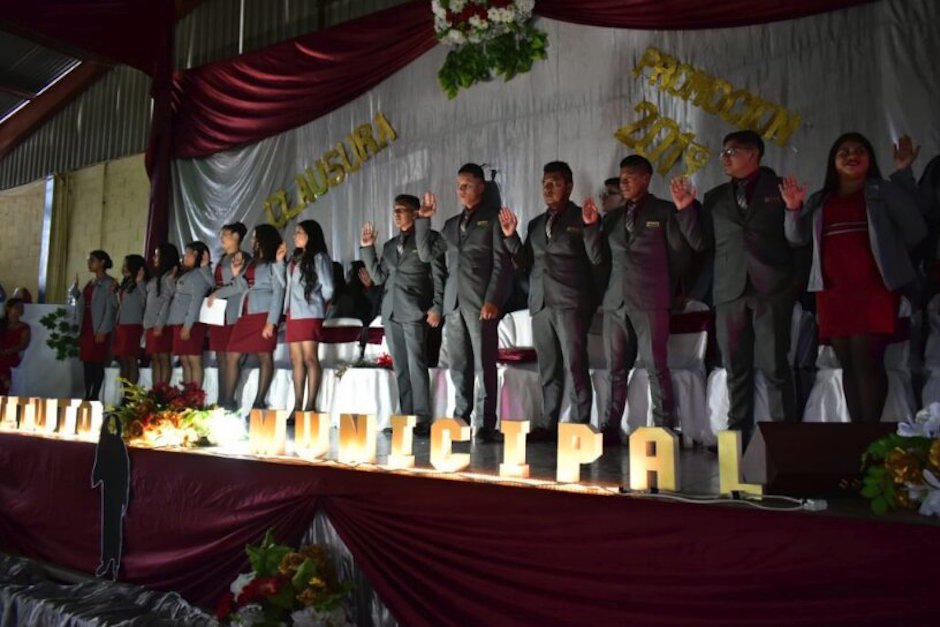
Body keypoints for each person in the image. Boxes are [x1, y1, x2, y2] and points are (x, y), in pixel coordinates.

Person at [783, 133, 926, 422]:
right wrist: (793, 208)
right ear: (833, 163)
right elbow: (796, 238)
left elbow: (915, 229)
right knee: (848, 363)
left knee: (867, 360)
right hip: (833, 292)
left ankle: (870, 434)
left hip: (873, 289)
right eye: (843, 152)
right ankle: (858, 437)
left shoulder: (882, 191)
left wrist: (902, 173)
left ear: (870, 159)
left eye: (859, 150)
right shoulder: (821, 199)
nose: (851, 155)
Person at [586, 155, 703, 443]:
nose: (623, 182)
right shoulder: (612, 217)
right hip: (616, 302)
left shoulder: (664, 211)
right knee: (615, 369)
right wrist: (590, 227)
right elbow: (598, 258)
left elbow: (680, 256)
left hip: (651, 299)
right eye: (621, 176)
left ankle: (664, 428)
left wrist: (671, 289)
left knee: (655, 366)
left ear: (646, 179)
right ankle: (610, 428)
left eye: (630, 176)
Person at [701, 130, 801, 444]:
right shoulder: (714, 197)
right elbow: (704, 245)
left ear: (753, 154)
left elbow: (798, 241)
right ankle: (736, 439)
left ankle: (786, 441)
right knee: (735, 369)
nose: (724, 158)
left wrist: (793, 209)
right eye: (722, 152)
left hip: (770, 289)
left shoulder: (781, 188)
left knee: (774, 366)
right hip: (729, 290)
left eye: (731, 151)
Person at [498, 161, 601, 441]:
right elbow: (524, 264)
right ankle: (548, 424)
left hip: (570, 303)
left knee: (575, 365)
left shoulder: (583, 218)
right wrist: (510, 237)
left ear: (568, 186)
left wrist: (592, 229)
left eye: (554, 182)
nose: (548, 187)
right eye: (544, 182)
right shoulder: (535, 224)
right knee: (548, 368)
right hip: (541, 303)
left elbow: (597, 260)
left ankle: (580, 426)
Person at [417, 163, 511, 443]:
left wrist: (493, 298)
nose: (461, 190)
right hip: (454, 303)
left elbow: (502, 264)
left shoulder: (493, 219)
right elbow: (425, 254)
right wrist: (423, 220)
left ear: (481, 187)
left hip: (481, 302)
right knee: (459, 365)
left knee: (485, 364)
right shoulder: (450, 225)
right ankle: (462, 417)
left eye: (467, 185)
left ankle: (486, 424)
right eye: (458, 185)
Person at [361, 194, 446, 437]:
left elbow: (440, 275)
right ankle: (406, 416)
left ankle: (421, 418)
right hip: (391, 311)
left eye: (402, 210)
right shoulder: (389, 245)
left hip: (415, 310)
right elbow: (378, 278)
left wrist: (437, 306)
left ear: (415, 213)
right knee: (400, 366)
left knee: (416, 363)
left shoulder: (430, 240)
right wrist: (368, 249)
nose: (396, 214)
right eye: (394, 210)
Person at [210, 224, 285, 411]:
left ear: (263, 240)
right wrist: (234, 277)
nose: (251, 241)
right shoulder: (252, 262)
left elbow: (279, 291)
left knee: (264, 356)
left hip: (263, 314)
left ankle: (259, 402)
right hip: (246, 313)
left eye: (255, 238)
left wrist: (272, 322)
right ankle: (227, 402)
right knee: (232, 355)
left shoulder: (273, 263)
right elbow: (240, 286)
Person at [281, 219, 334, 417]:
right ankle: (296, 406)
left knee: (310, 358)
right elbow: (286, 285)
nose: (295, 236)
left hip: (310, 312)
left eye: (299, 232)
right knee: (296, 359)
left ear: (310, 235)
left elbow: (328, 287)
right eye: (295, 232)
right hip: (293, 313)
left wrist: (318, 304)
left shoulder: (319, 257)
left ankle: (310, 405)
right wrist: (280, 262)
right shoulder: (294, 258)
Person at [211, 222, 252, 409]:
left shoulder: (241, 257)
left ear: (236, 236)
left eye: (225, 234)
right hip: (218, 312)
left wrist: (216, 294)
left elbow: (239, 285)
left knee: (230, 358)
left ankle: (229, 401)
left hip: (233, 312)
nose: (222, 238)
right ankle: (221, 400)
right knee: (220, 359)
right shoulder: (222, 259)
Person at [166, 242, 213, 387]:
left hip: (191, 324)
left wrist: (188, 325)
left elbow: (196, 302)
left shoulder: (199, 275)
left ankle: (195, 397)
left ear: (196, 255)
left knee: (194, 360)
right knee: (185, 360)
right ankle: (187, 396)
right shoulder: (187, 274)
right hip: (180, 322)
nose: (184, 257)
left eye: (187, 254)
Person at [77, 250, 117, 400]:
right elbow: (83, 302)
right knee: (87, 362)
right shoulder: (90, 282)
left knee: (97, 362)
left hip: (99, 327)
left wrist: (104, 329)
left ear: (102, 263)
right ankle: (87, 392)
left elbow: (111, 308)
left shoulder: (109, 283)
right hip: (87, 326)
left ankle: (95, 395)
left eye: (92, 260)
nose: (89, 263)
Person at [143, 243, 179, 386]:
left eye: (158, 255)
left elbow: (168, 301)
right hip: (151, 324)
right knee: (155, 359)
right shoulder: (156, 278)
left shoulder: (170, 277)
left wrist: (160, 323)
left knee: (163, 358)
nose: (154, 258)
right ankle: (155, 391)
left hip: (162, 324)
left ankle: (163, 392)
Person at [111, 254, 148, 391]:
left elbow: (145, 300)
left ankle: (131, 396)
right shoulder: (126, 283)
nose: (124, 267)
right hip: (122, 324)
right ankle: (125, 392)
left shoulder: (140, 282)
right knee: (123, 360)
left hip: (133, 325)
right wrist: (115, 291)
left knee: (131, 360)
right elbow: (120, 304)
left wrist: (140, 282)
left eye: (127, 264)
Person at [0, 298, 30, 394]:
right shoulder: (1, 324)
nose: (20, 310)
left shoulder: (24, 327)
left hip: (10, 357)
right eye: (17, 307)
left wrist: (8, 351)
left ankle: (4, 379)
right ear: (8, 308)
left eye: (22, 308)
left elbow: (23, 345)